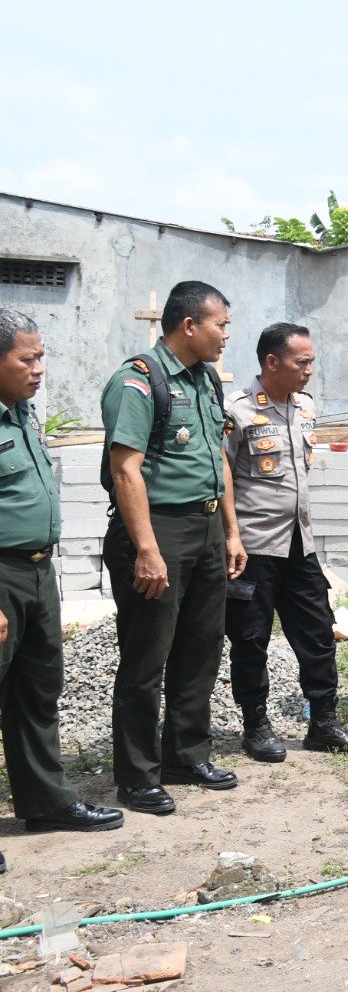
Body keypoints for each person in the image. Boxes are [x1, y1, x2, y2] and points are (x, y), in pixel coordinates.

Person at [101, 281, 248, 815]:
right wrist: (146, 548)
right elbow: (125, 469)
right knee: (146, 658)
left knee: (201, 648)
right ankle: (137, 777)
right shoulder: (138, 381)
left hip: (206, 530)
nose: (226, 335)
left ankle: (185, 755)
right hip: (157, 531)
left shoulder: (206, 379)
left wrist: (231, 532)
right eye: (221, 325)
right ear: (190, 325)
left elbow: (218, 458)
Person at [0, 311, 124, 861]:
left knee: (38, 688)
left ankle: (44, 800)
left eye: (40, 356)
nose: (39, 369)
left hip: (35, 570)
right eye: (27, 358)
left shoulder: (21, 413)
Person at [223, 323, 348, 763]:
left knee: (317, 634)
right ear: (272, 362)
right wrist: (231, 534)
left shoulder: (304, 407)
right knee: (250, 638)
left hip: (299, 544)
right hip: (253, 546)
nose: (310, 370)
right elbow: (223, 473)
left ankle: (323, 724)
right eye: (301, 362)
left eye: (311, 361)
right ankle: (256, 725)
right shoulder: (237, 409)